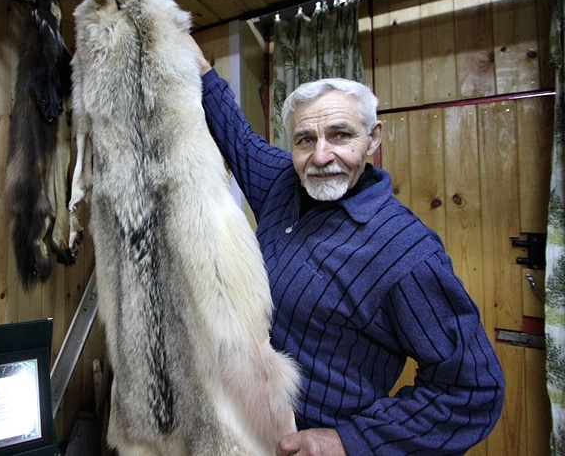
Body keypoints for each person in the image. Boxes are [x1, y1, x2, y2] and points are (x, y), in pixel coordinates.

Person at [189, 39, 505, 455]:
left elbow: (472, 390)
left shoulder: (405, 251)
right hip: (233, 428)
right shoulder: (285, 184)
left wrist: (349, 441)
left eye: (340, 135)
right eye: (305, 140)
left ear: (373, 138)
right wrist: (199, 65)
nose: (321, 156)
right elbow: (241, 141)